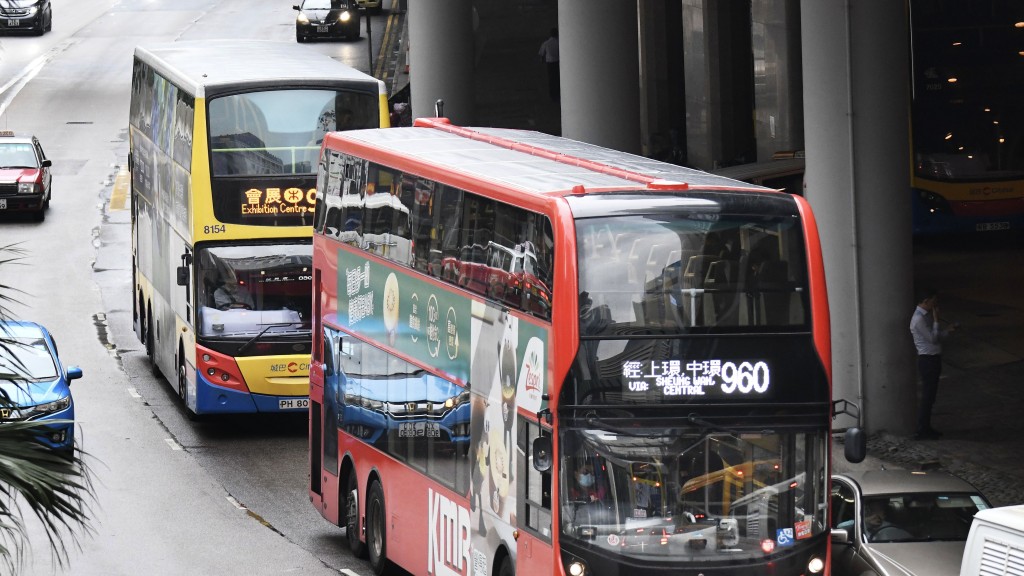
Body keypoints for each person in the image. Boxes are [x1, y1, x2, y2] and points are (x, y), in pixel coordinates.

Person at [909, 288, 956, 440]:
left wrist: (947, 330)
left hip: (933, 358)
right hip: (927, 360)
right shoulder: (919, 319)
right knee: (927, 396)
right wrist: (936, 320)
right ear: (926, 301)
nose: (935, 304)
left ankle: (926, 427)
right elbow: (933, 339)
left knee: (931, 396)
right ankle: (922, 429)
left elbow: (936, 337)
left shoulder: (924, 316)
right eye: (933, 301)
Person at [537, 28, 559, 102]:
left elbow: (541, 54)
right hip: (558, 62)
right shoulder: (559, 42)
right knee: (557, 78)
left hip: (550, 63)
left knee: (551, 79)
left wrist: (542, 60)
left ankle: (553, 95)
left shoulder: (546, 43)